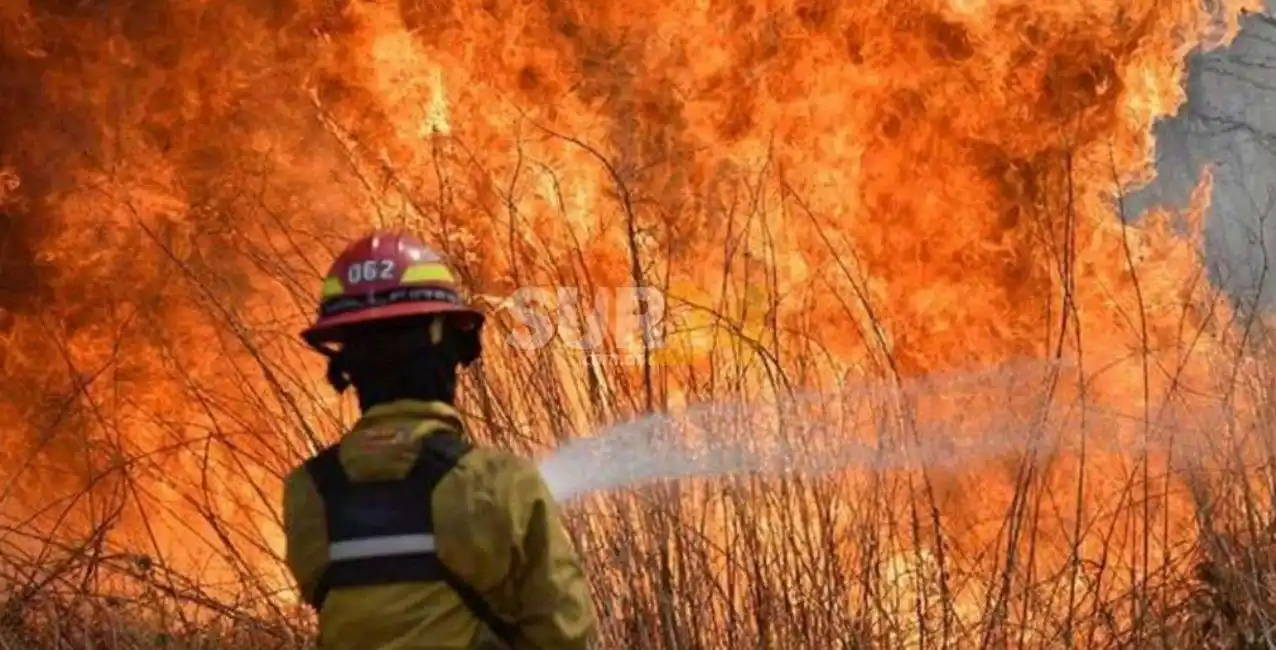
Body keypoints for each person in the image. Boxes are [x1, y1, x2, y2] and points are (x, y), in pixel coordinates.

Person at [280, 231, 598, 649]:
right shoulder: (499, 483)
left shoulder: (307, 492)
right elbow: (566, 635)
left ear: (347, 365)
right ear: (447, 346)